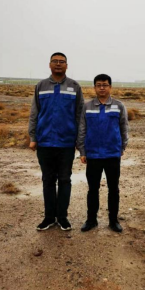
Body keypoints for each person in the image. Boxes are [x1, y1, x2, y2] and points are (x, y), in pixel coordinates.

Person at [29, 53, 84, 231]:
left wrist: (79, 141)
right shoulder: (41, 86)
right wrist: (33, 137)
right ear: (50, 65)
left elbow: (80, 115)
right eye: (55, 61)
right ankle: (49, 218)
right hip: (45, 142)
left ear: (67, 65)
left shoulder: (74, 86)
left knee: (65, 180)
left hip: (66, 143)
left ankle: (62, 217)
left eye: (62, 62)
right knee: (48, 180)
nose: (58, 64)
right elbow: (34, 113)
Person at [77, 74, 129, 233]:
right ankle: (91, 220)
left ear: (110, 87)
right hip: (93, 154)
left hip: (112, 154)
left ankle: (113, 221)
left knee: (114, 189)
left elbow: (124, 128)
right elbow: (82, 129)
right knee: (93, 189)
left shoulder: (119, 106)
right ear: (94, 87)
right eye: (98, 85)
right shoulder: (87, 106)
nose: (102, 88)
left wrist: (122, 147)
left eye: (105, 85)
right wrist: (82, 150)